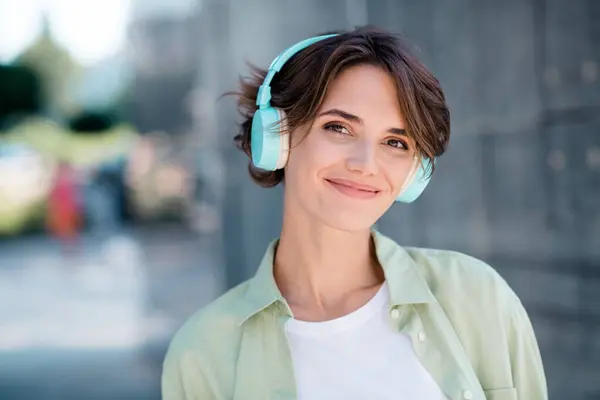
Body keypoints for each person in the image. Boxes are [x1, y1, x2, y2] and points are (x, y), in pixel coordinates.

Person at [162, 27, 547, 400]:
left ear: (414, 171)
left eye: (395, 142)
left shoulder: (478, 297)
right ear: (276, 137)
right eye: (339, 127)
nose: (366, 164)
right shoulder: (203, 351)